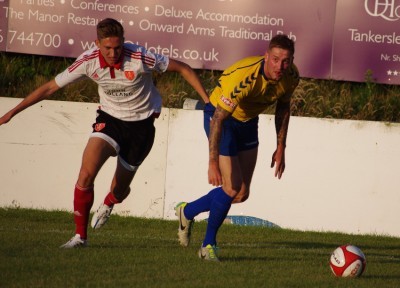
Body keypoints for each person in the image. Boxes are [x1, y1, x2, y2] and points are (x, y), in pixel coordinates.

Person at [0, 18, 209, 248]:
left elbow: (183, 68)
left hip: (141, 127)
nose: (113, 53)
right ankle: (80, 237)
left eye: (118, 47)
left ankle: (109, 203)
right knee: (86, 174)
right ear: (97, 43)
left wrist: (207, 101)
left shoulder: (139, 57)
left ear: (124, 43)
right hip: (110, 120)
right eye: (107, 48)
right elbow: (50, 87)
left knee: (120, 190)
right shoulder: (88, 61)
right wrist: (13, 112)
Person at [175, 34, 299, 261]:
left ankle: (188, 211)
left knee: (241, 193)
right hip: (220, 118)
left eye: (286, 61)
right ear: (266, 56)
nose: (280, 65)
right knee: (231, 187)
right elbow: (218, 120)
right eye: (275, 59)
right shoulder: (245, 77)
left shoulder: (291, 76)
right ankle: (207, 245)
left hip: (248, 122)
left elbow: (283, 108)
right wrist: (212, 162)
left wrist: (281, 147)